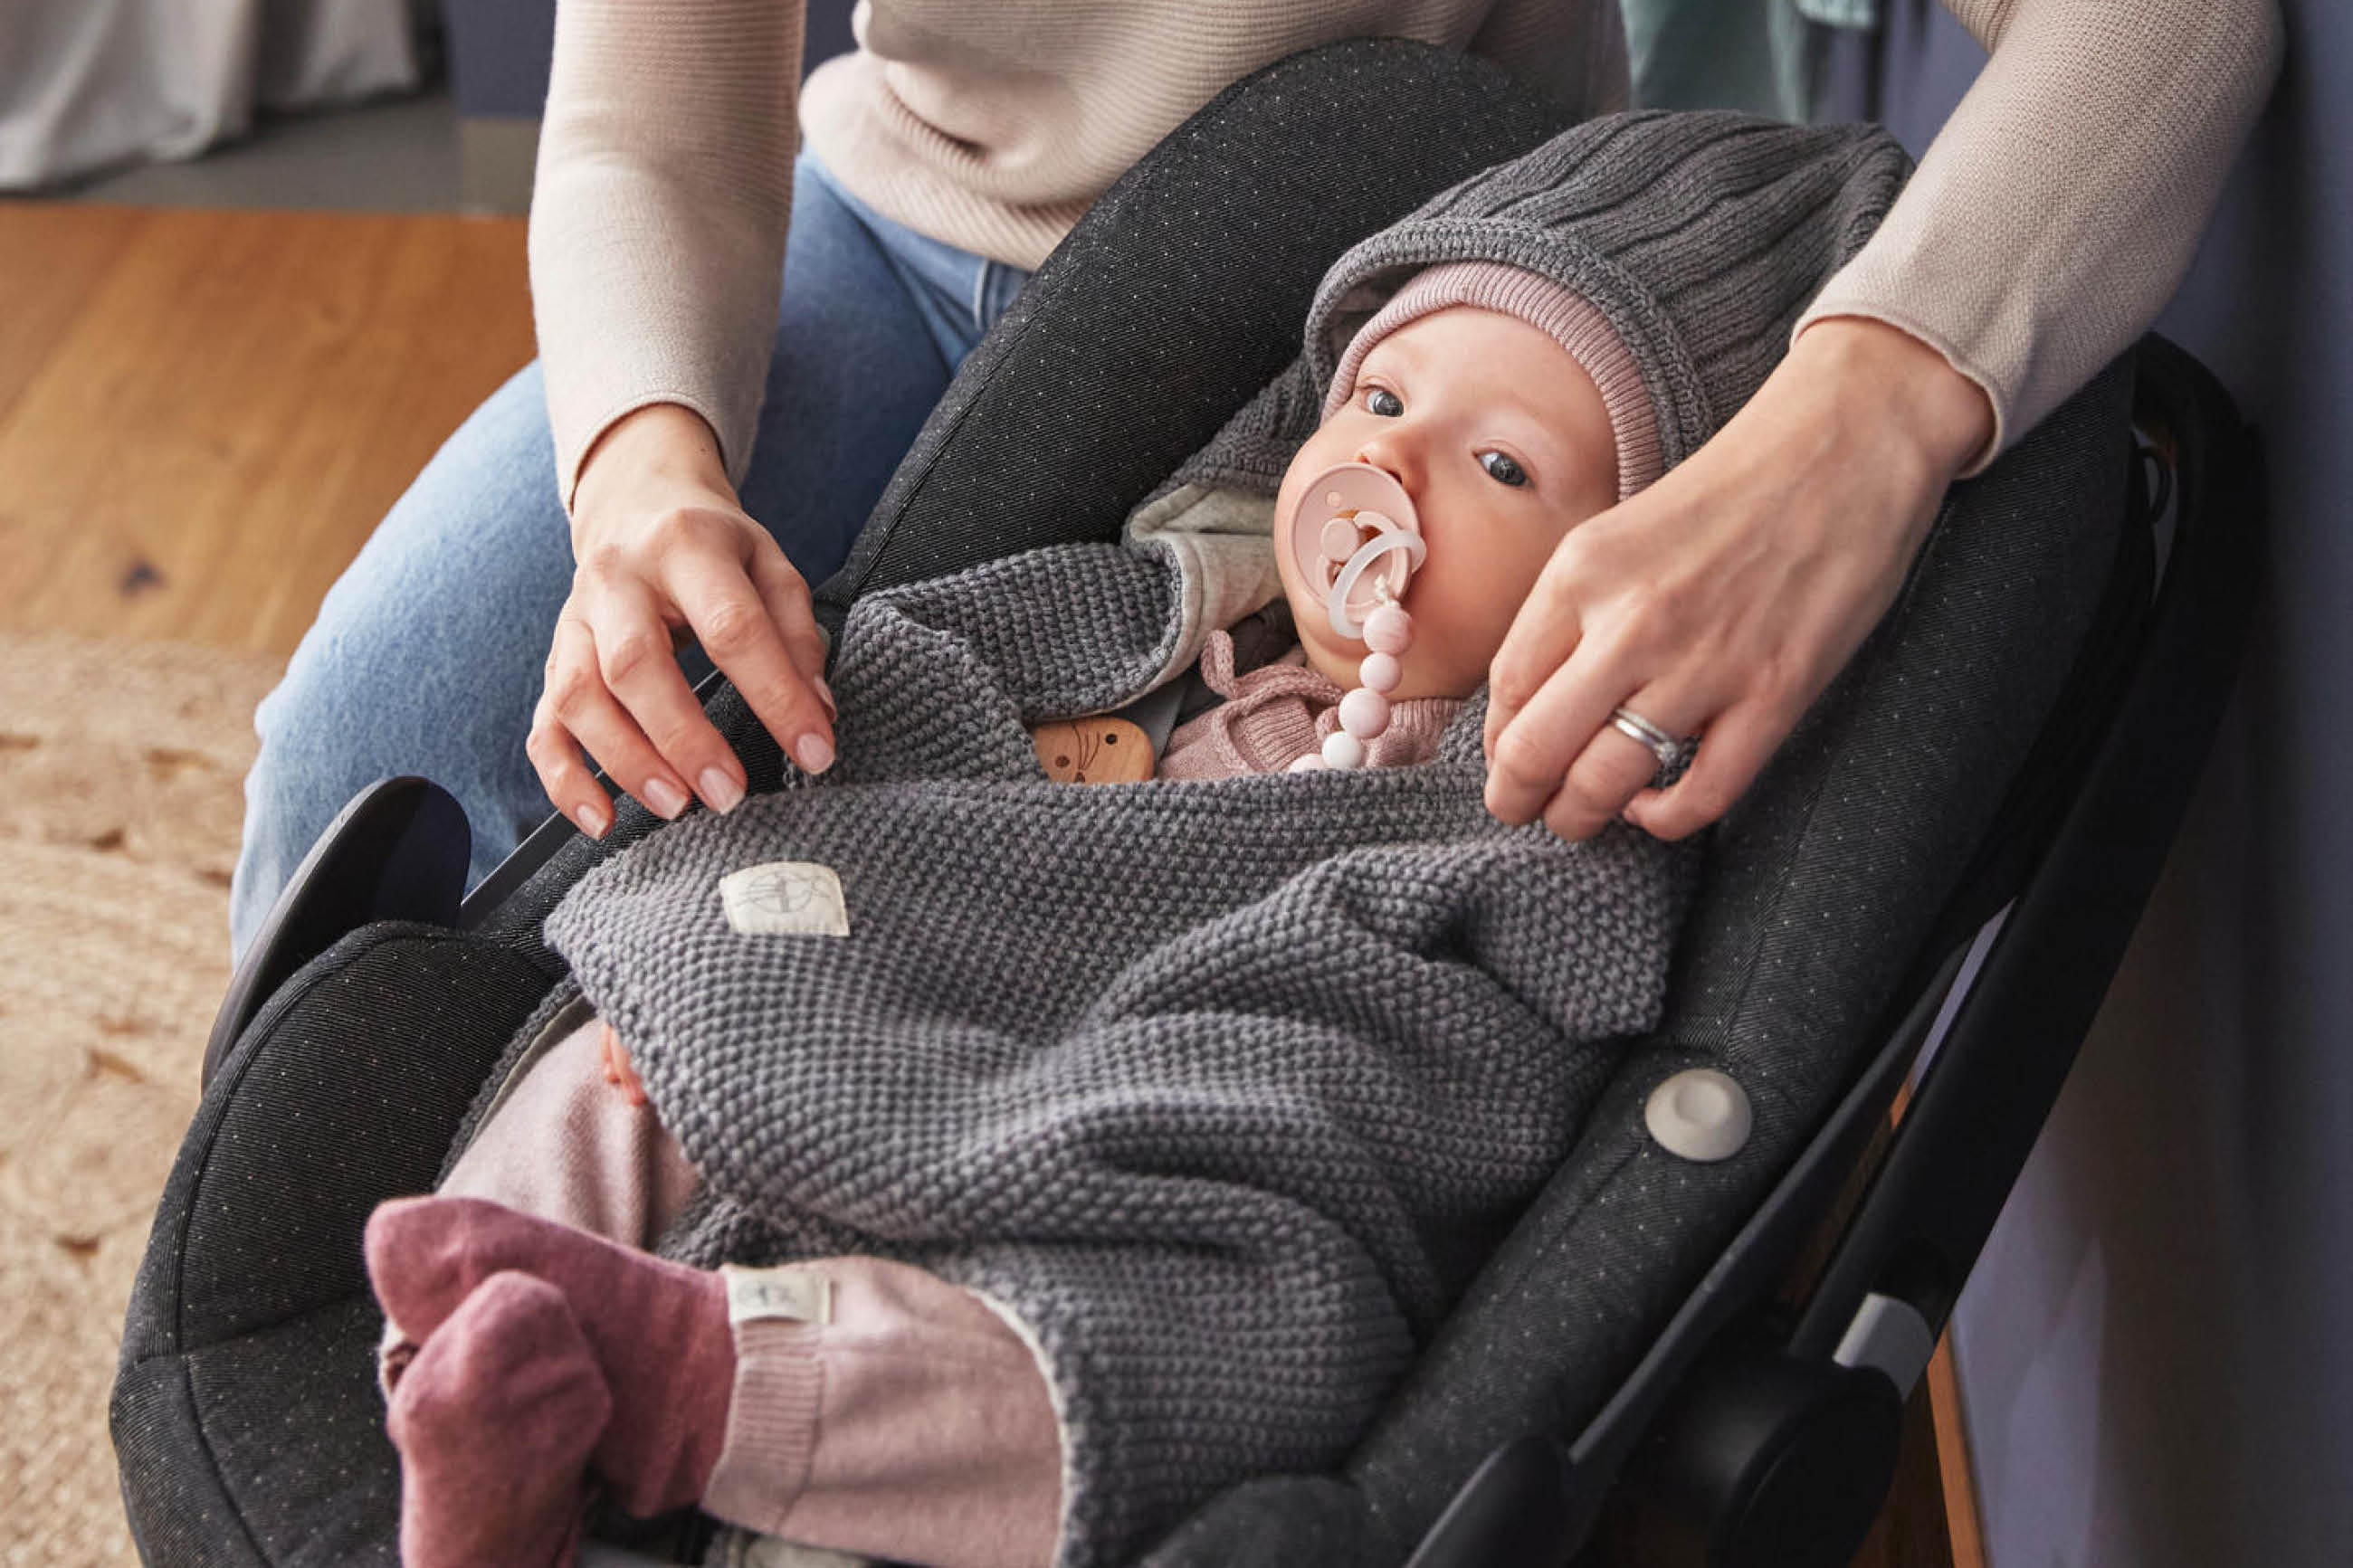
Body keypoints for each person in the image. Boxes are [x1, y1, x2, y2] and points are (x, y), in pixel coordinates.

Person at [357, 112, 1922, 1568]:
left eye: (1501, 465)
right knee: (617, 1050)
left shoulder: (1542, 839)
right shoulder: (1150, 618)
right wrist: (720, 970)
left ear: (1637, 571)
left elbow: (1441, 1084)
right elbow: (894, 697)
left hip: (1156, 1168)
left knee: (1256, 1340)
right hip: (875, 1021)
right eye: (1378, 400)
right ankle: (489, 1347)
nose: (1391, 468)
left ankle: (684, 1384)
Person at [226, 0, 2282, 962]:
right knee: (380, 745)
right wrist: (644, 468)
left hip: (1408, 309)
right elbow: (650, 139)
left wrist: (1859, 427)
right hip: (898, 248)